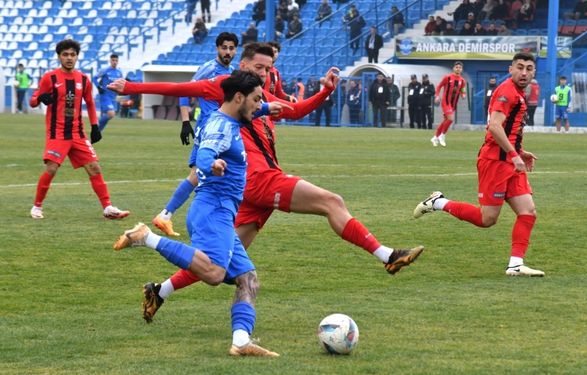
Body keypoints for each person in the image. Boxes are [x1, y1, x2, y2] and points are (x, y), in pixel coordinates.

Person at [110, 49, 423, 324]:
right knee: (332, 201)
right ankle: (387, 256)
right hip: (258, 180)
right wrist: (132, 87)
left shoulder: (259, 97)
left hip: (248, 187)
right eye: (259, 67)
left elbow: (294, 110)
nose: (265, 72)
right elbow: (179, 87)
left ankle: (159, 291)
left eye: (269, 67)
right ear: (244, 63)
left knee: (220, 260)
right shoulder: (224, 87)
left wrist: (325, 91)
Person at [113, 70, 280, 357]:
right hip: (212, 209)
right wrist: (211, 163)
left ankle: (241, 342)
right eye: (256, 99)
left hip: (220, 213)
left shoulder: (224, 117)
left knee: (247, 278)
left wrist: (267, 107)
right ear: (239, 97)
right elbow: (204, 156)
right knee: (214, 273)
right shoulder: (222, 128)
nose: (259, 105)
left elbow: (237, 119)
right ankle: (146, 237)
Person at [413, 52, 544, 277]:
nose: (524, 72)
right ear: (510, 69)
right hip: (495, 163)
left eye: (529, 68)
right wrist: (514, 154)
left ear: (534, 72)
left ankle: (515, 265)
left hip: (509, 161)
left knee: (528, 212)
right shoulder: (506, 91)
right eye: (520, 67)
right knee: (487, 219)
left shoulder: (518, 93)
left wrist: (519, 152)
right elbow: (494, 126)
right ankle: (438, 202)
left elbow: (505, 129)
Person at [29, 39, 129, 220]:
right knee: (51, 169)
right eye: (65, 54)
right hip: (57, 133)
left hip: (77, 133)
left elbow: (90, 103)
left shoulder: (83, 79)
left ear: (77, 57)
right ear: (59, 56)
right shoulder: (49, 78)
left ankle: (107, 208)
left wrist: (95, 126)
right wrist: (40, 98)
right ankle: (37, 207)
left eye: (72, 55)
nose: (69, 58)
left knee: (94, 167)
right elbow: (33, 100)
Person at [151, 32, 238, 237]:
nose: (227, 52)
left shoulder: (233, 72)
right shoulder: (208, 69)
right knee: (200, 175)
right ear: (217, 48)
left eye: (231, 48)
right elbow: (184, 91)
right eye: (224, 48)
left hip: (222, 131)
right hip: (208, 130)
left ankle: (167, 216)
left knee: (210, 176)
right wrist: (185, 122)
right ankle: (166, 215)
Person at [431, 61, 466, 147]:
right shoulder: (448, 77)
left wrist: (463, 95)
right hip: (445, 102)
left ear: (461, 69)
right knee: (450, 119)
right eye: (456, 67)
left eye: (460, 68)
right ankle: (442, 136)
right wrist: (436, 96)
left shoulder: (462, 81)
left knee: (445, 121)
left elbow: (463, 90)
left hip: (453, 104)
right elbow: (439, 86)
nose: (458, 69)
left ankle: (435, 137)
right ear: (453, 68)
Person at [94, 53, 124, 132]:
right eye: (113, 60)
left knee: (107, 116)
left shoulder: (119, 72)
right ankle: (96, 126)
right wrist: (98, 87)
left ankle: (98, 132)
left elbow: (121, 83)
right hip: (105, 95)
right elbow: (94, 78)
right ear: (110, 61)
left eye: (116, 60)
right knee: (111, 114)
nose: (114, 62)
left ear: (118, 62)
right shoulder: (105, 70)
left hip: (113, 97)